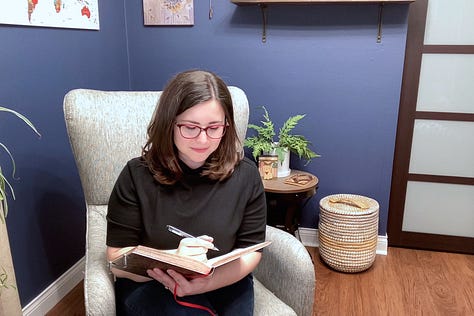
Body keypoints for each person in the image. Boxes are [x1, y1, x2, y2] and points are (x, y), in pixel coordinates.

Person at [106, 69, 267, 316]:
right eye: (190, 127)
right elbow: (117, 261)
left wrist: (209, 282)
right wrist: (174, 259)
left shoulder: (245, 175)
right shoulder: (136, 175)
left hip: (224, 281)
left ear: (227, 125)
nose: (203, 140)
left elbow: (252, 250)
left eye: (214, 127)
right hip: (153, 285)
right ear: (169, 124)